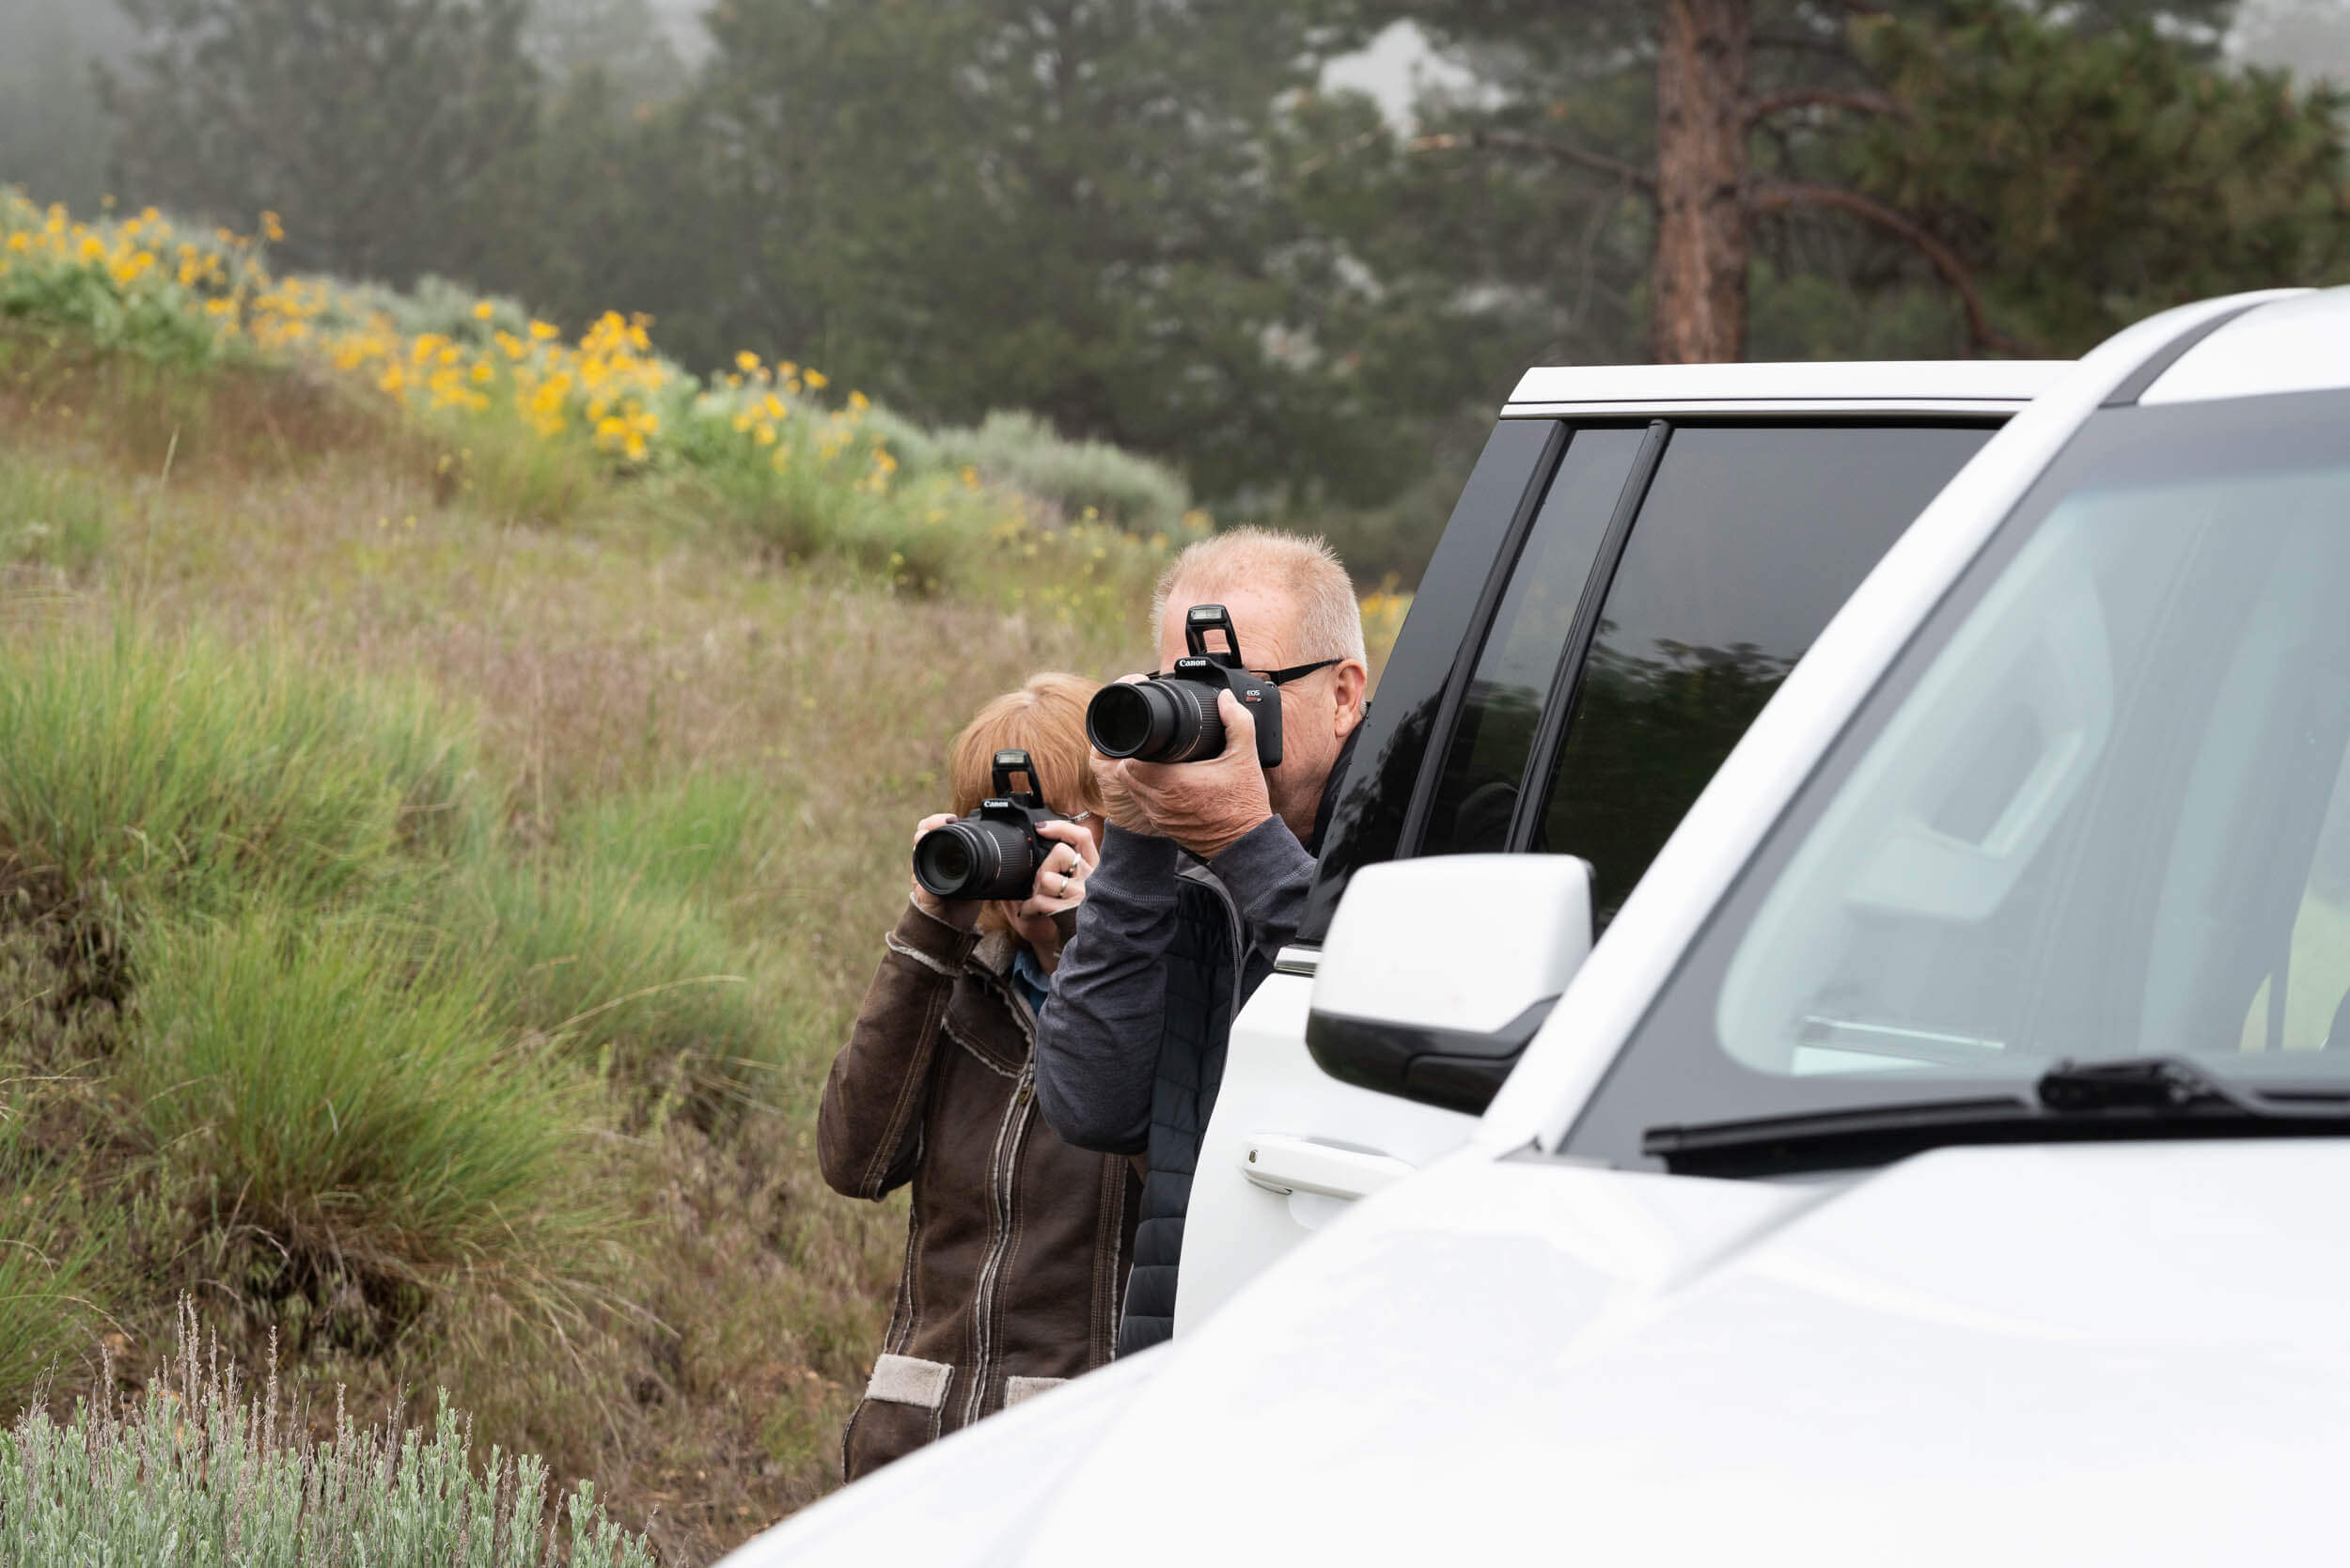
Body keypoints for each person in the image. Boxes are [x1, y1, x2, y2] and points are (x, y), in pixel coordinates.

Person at [1033, 528, 1371, 1354]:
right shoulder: (1182, 864)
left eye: (1238, 684)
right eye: (1183, 683)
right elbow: (1091, 1105)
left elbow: (1382, 1013)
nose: (1207, 711)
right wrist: (1141, 840)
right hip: (1191, 1336)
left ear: (1343, 694)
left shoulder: (1432, 827)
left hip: (1350, 1328)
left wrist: (1245, 840)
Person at [819, 672, 1140, 1481]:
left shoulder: (1160, 985)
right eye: (999, 822)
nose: (1024, 847)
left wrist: (1090, 947)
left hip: (1067, 1456)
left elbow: (1173, 1182)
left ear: (1115, 824)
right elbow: (855, 1164)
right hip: (915, 1444)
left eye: (1053, 821)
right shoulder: (952, 989)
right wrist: (928, 929)